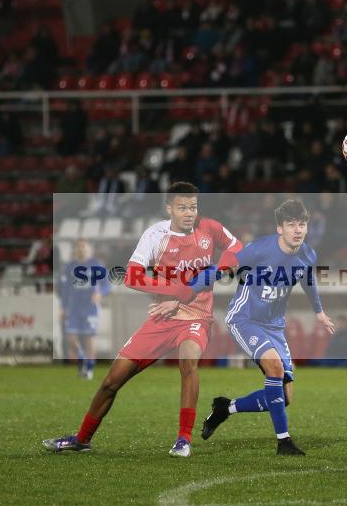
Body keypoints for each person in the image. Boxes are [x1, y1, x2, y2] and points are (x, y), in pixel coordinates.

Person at [43, 182, 243, 457]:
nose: (189, 213)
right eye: (183, 207)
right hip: (162, 320)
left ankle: (183, 439)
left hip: (196, 317)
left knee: (188, 364)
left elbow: (237, 248)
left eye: (193, 207)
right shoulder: (156, 235)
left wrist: (210, 275)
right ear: (169, 208)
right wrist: (174, 291)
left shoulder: (209, 228)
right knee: (112, 381)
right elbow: (132, 275)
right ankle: (82, 438)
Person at [200, 199, 335, 456]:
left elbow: (307, 280)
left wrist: (318, 312)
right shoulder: (259, 250)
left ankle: (225, 408)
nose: (298, 229)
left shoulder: (307, 254)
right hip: (245, 319)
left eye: (302, 224)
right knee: (274, 368)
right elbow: (225, 266)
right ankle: (284, 442)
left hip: (274, 326)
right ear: (279, 228)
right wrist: (189, 291)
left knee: (284, 398)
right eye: (291, 224)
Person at [58, 240, 110, 380]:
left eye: (84, 247)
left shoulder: (96, 264)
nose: (81, 249)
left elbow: (106, 285)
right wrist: (63, 307)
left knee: (88, 339)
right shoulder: (69, 267)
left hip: (90, 308)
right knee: (70, 338)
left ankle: (89, 370)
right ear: (75, 250)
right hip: (74, 307)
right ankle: (82, 360)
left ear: (89, 250)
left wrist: (99, 293)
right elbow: (65, 289)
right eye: (79, 247)